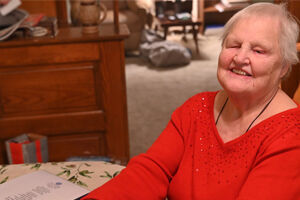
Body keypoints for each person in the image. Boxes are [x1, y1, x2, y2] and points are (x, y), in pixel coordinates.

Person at [82, 2, 300, 200]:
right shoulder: (197, 108)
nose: (240, 58)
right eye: (233, 45)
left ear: (283, 68)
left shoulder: (291, 138)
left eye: (258, 50)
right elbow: (152, 170)